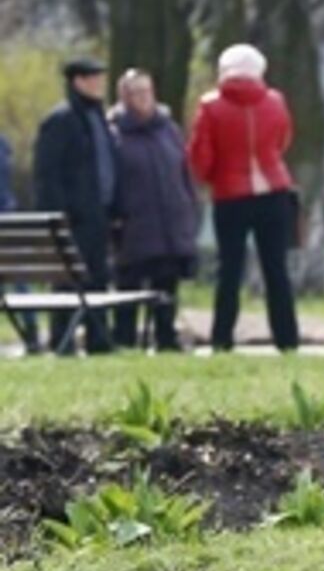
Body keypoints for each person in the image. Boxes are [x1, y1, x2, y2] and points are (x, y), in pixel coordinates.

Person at [188, 43, 300, 352]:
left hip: (230, 195)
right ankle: (287, 339)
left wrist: (210, 179)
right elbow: (283, 140)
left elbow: (201, 155)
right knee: (276, 269)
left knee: (229, 270)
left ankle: (222, 339)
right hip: (274, 191)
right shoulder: (275, 101)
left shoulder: (210, 106)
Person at [109, 69, 200, 350]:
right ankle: (124, 340)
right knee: (129, 288)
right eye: (136, 92)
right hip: (133, 226)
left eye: (147, 91)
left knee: (167, 287)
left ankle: (166, 338)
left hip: (170, 223)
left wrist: (189, 209)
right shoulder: (114, 134)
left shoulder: (168, 129)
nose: (143, 98)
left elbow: (183, 173)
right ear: (124, 97)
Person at [33, 57, 117, 354]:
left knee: (98, 279)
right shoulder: (61, 120)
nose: (100, 84)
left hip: (98, 215)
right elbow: (48, 174)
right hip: (74, 218)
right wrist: (59, 216)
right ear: (78, 81)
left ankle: (98, 340)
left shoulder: (97, 118)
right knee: (68, 283)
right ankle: (62, 340)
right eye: (93, 78)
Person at [1, 133, 40, 353]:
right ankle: (31, 331)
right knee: (19, 276)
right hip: (7, 220)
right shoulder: (3, 145)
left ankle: (31, 333)